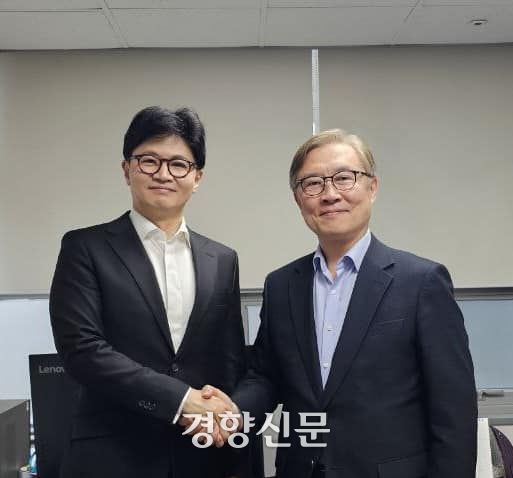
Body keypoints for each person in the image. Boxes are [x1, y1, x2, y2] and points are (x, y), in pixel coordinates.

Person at [204, 129, 478, 478]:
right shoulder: (282, 285)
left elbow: (454, 411)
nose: (330, 194)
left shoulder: (422, 282)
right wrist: (233, 412)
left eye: (344, 178)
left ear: (372, 187)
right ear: (298, 199)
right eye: (313, 183)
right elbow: (266, 376)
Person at [49, 106, 251, 478]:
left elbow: (230, 359)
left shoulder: (222, 259)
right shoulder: (85, 248)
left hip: (202, 456)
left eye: (179, 164)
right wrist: (182, 400)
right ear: (127, 170)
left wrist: (227, 419)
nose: (163, 174)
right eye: (149, 161)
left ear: (197, 177)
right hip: (113, 456)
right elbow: (82, 349)